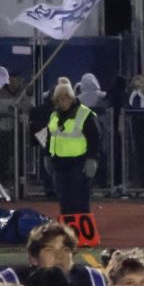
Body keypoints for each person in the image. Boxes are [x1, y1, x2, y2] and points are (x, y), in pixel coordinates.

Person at [0, 222, 107, 286]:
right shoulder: (12, 284)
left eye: (65, 249)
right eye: (49, 250)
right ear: (33, 258)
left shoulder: (93, 282)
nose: (59, 255)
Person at [45, 77, 102, 216]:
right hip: (59, 163)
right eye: (58, 100)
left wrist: (92, 159)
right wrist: (47, 156)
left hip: (79, 163)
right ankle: (69, 231)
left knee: (80, 199)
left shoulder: (85, 114)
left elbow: (95, 139)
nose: (60, 103)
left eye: (63, 99)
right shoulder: (54, 115)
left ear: (70, 98)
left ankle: (81, 233)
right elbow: (49, 137)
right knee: (64, 199)